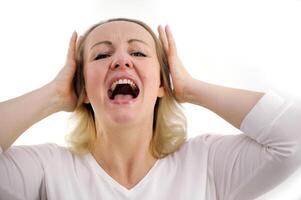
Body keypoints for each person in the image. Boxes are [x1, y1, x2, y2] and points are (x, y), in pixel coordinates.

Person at [0, 18, 300, 200]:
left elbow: (293, 137)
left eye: (139, 52)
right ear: (84, 91)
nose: (121, 60)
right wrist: (53, 95)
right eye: (102, 54)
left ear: (161, 83)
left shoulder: (206, 163)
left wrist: (190, 88)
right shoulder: (47, 170)